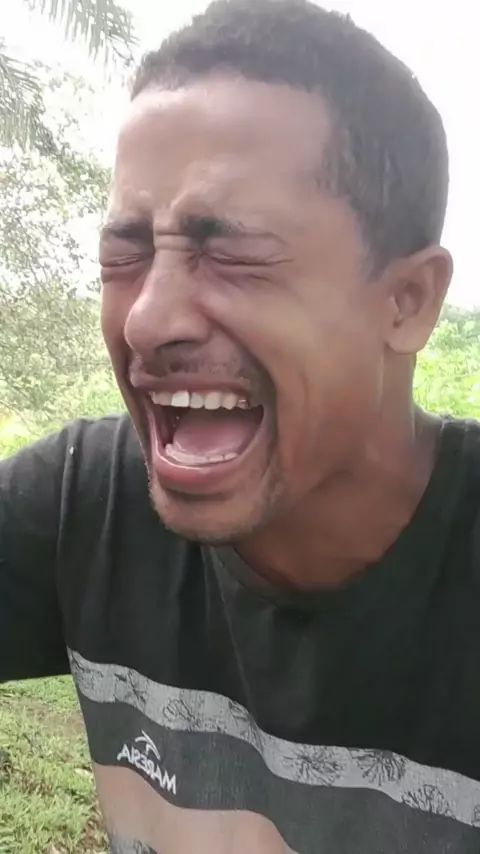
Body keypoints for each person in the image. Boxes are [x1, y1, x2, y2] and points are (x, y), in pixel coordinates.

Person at [1, 0, 479, 851]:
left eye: (233, 254)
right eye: (125, 255)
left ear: (407, 300)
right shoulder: (88, 506)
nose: (147, 320)